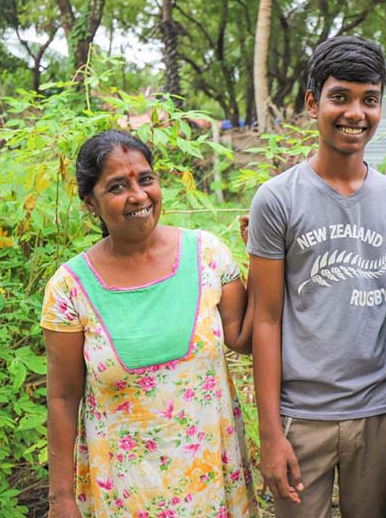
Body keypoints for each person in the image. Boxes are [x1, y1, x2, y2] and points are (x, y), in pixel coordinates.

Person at [41, 130, 258, 518]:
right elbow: (62, 397)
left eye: (145, 179)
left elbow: (243, 337)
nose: (138, 196)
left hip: (211, 486)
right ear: (90, 202)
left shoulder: (208, 254)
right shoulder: (68, 289)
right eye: (117, 187)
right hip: (124, 496)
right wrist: (61, 499)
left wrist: (263, 256)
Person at [246, 36, 386, 518]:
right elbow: (266, 320)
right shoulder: (278, 200)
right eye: (340, 97)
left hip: (377, 416)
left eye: (370, 99)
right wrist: (270, 433)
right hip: (301, 420)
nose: (355, 113)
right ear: (312, 102)